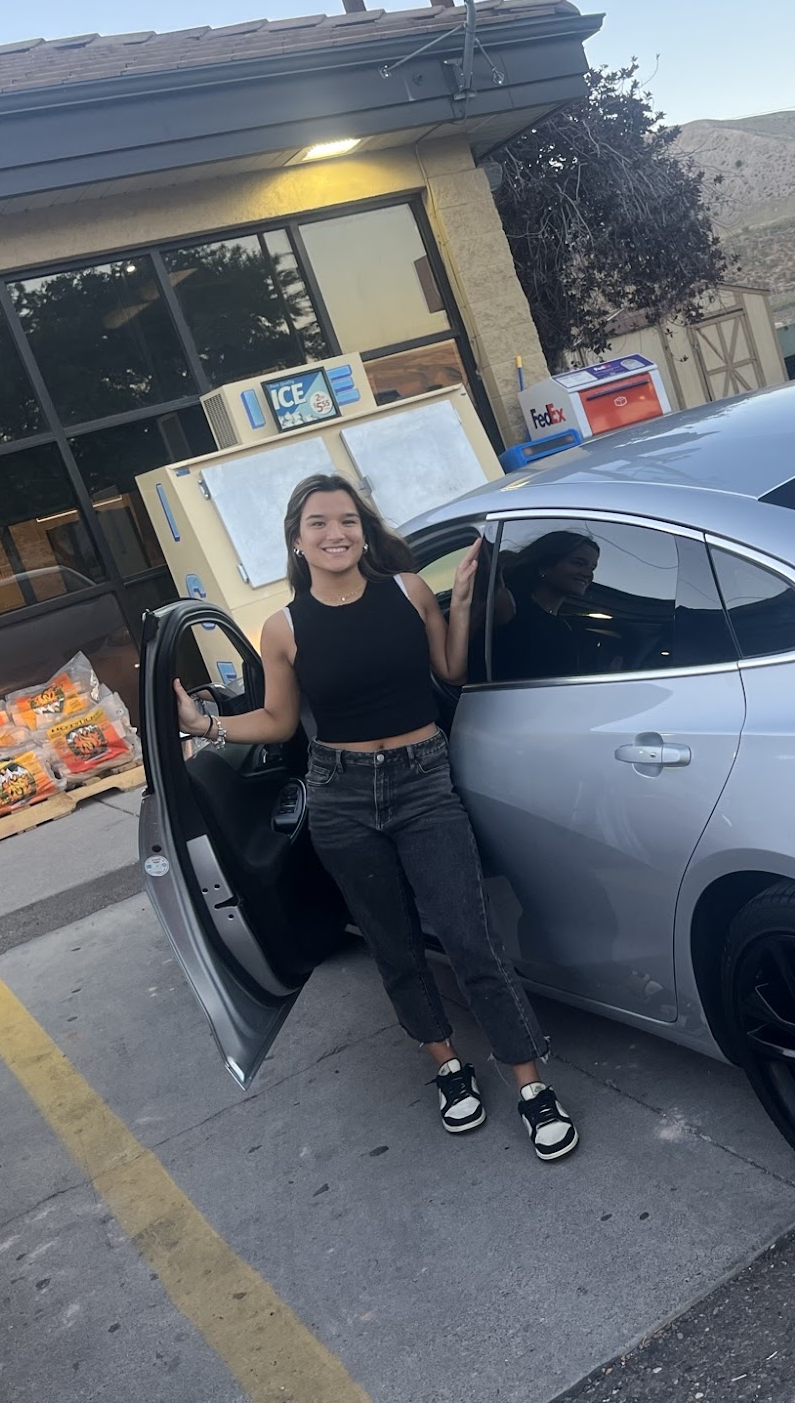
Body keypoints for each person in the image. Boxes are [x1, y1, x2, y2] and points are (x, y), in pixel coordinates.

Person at [171, 473, 578, 1162]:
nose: (336, 534)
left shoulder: (409, 591)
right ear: (297, 541)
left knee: (471, 939)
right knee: (395, 946)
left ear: (364, 531)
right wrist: (204, 725)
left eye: (348, 521)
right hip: (341, 794)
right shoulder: (283, 628)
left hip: (424, 782)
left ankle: (530, 1083)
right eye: (319, 524)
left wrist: (466, 600)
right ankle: (447, 1065)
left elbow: (450, 669)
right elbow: (277, 722)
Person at [488, 530, 602, 681]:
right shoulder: (509, 604)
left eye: (592, 568)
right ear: (545, 566)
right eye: (578, 563)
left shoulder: (565, 625)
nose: (588, 574)